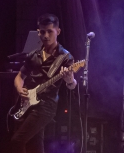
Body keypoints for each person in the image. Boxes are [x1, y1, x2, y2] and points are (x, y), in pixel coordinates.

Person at [12, 14, 78, 153]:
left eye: (50, 31)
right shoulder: (33, 55)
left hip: (46, 106)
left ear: (58, 31)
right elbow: (20, 76)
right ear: (38, 32)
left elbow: (72, 85)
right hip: (28, 102)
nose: (46, 36)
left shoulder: (65, 57)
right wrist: (19, 89)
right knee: (35, 145)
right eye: (42, 32)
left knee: (17, 141)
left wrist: (69, 80)